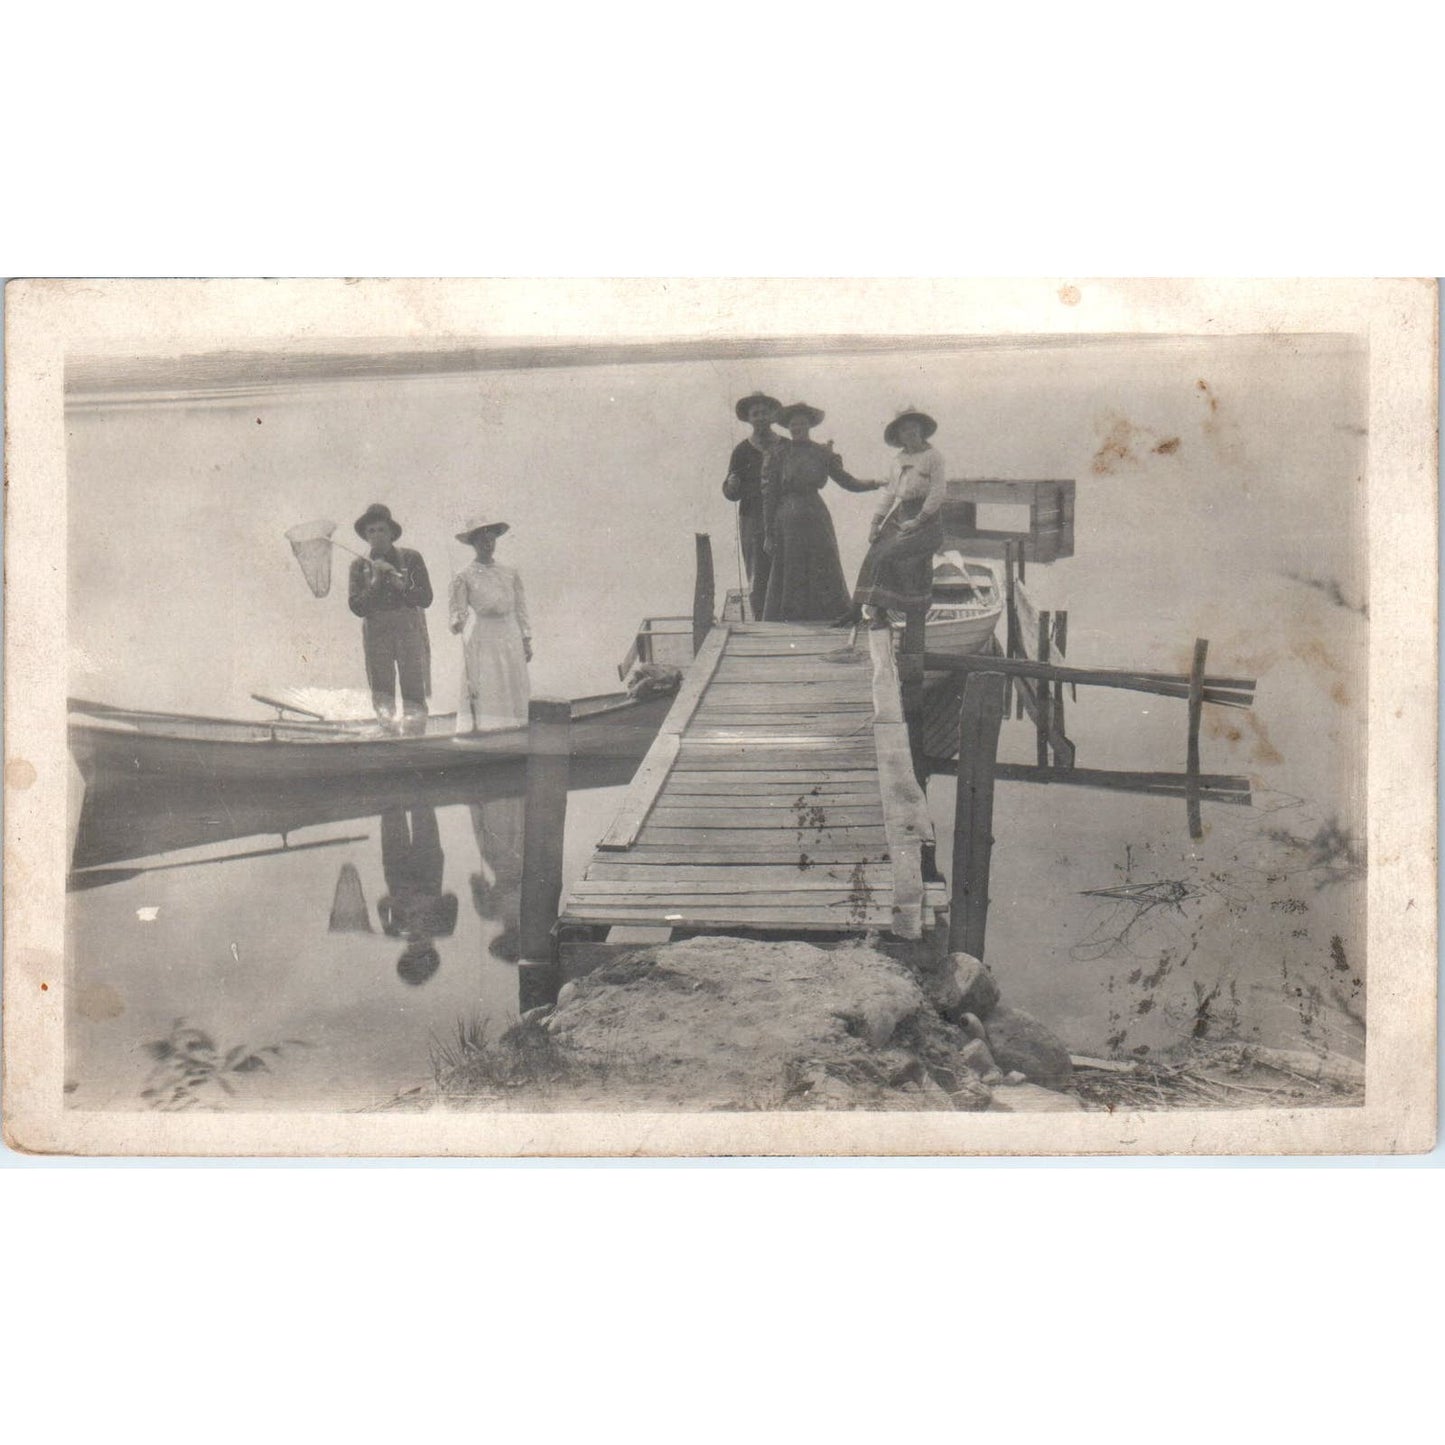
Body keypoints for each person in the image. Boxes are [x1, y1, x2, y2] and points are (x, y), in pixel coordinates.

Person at [759, 402, 881, 621]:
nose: (798, 428)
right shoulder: (778, 454)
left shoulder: (822, 452)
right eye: (794, 424)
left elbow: (846, 481)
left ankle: (826, 616)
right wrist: (768, 533)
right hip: (787, 517)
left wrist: (874, 483)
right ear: (788, 427)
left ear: (809, 425)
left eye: (802, 423)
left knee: (823, 563)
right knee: (791, 565)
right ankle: (791, 619)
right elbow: (770, 497)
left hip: (816, 515)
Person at [845, 408, 948, 628]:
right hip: (901, 513)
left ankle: (881, 613)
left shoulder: (934, 457)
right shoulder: (898, 459)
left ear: (921, 430)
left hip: (926, 519)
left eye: (913, 427)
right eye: (903, 429)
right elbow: (890, 492)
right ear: (898, 435)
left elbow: (938, 492)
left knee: (889, 555)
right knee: (875, 550)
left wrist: (919, 519)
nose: (909, 432)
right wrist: (875, 523)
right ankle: (855, 611)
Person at [348, 503, 434, 735]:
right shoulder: (358, 565)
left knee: (414, 690)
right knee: (382, 691)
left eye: (381, 530)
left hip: (408, 630)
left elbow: (426, 598)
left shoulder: (411, 558)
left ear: (391, 532)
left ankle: (415, 740)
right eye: (371, 531)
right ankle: (389, 739)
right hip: (377, 634)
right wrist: (375, 582)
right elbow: (356, 607)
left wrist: (403, 588)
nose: (376, 536)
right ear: (366, 536)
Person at [449, 512, 532, 734]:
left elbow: (521, 608)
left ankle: (519, 728)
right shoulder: (463, 575)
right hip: (484, 635)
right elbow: (458, 612)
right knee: (489, 683)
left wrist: (526, 639)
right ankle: (488, 730)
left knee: (513, 679)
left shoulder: (510, 572)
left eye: (491, 539)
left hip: (510, 633)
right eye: (481, 540)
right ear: (473, 543)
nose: (487, 544)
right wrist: (457, 621)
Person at [377, 802, 457, 987]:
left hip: (397, 873)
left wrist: (395, 904)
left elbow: (382, 903)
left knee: (390, 811)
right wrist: (429, 901)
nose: (415, 946)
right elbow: (451, 899)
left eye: (411, 951)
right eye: (421, 951)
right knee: (423, 809)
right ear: (431, 952)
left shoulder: (395, 930)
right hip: (429, 869)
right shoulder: (444, 928)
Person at [722, 391, 782, 619]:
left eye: (764, 413)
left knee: (784, 566)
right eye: (755, 414)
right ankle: (762, 620)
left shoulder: (785, 445)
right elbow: (730, 493)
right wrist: (731, 485)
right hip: (752, 517)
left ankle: (787, 619)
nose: (760, 417)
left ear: (772, 416)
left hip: (781, 515)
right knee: (757, 571)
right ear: (748, 419)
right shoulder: (741, 450)